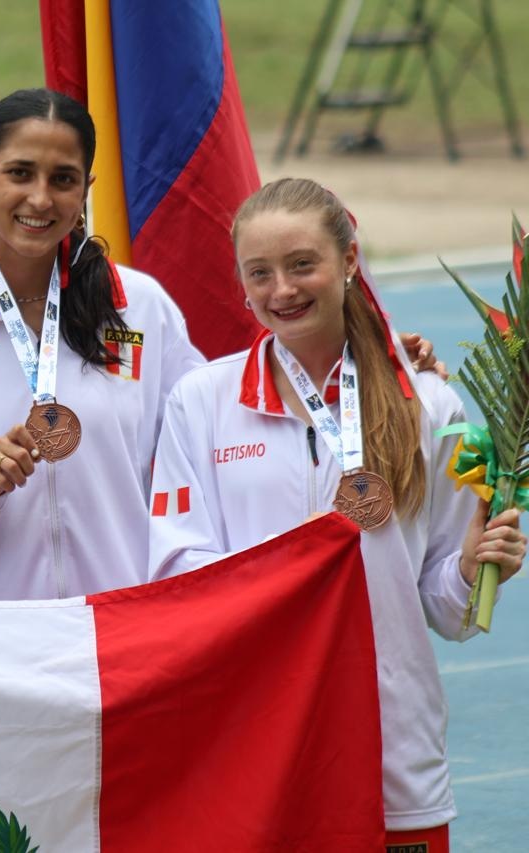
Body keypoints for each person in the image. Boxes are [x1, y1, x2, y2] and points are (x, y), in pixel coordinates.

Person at [147, 177, 524, 849]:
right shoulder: (199, 403)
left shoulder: (430, 406)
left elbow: (441, 607)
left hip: (393, 742)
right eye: (259, 273)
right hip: (255, 738)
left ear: (350, 262)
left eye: (302, 264)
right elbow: (179, 567)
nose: (282, 290)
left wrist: (470, 571)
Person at [0, 87, 204, 599]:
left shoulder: (142, 309)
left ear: (85, 190)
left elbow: (200, 469)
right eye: (20, 172)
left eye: (63, 179)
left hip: (128, 628)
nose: (40, 198)